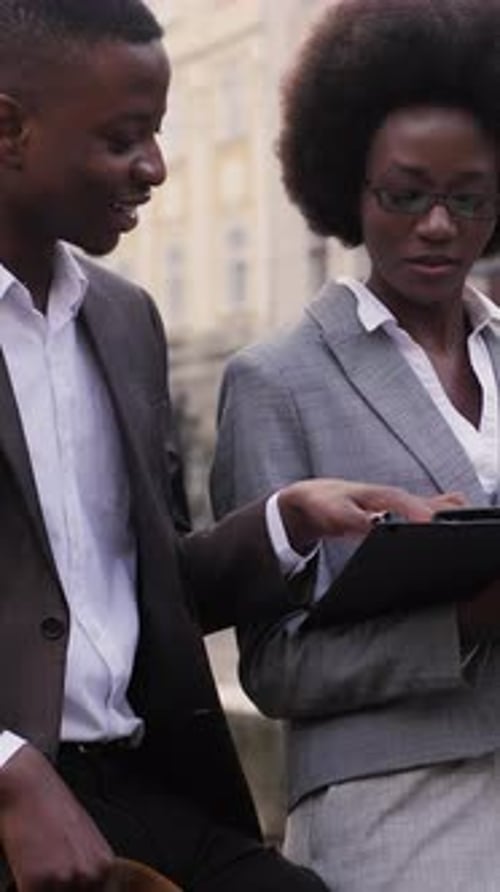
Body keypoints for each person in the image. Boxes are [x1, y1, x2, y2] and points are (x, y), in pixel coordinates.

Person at [0, 2, 459, 891]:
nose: (156, 168)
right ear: (8, 128)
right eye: (123, 137)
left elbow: (139, 591)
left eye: (160, 132)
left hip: (140, 785)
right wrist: (9, 771)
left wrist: (289, 521)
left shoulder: (124, 320)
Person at [210, 1, 500, 890]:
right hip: (395, 809)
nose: (439, 225)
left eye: (470, 197)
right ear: (346, 187)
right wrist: (465, 622)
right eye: (405, 194)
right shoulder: (277, 380)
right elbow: (273, 667)